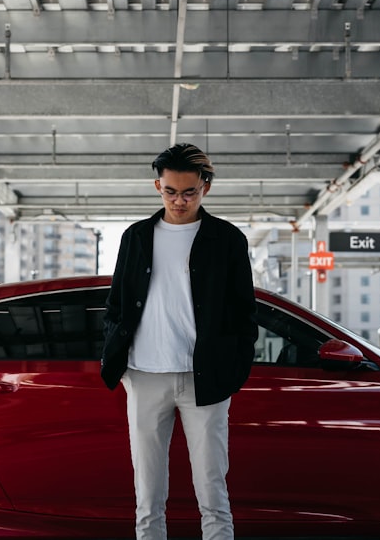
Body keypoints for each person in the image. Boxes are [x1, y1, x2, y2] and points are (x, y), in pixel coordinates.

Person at [100, 143, 258, 540]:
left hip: (205, 378)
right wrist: (121, 364)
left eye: (189, 192)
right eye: (171, 191)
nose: (179, 200)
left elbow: (244, 314)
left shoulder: (227, 239)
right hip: (144, 375)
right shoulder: (136, 237)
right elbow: (116, 305)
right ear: (157, 186)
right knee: (148, 494)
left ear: (206, 187)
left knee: (212, 488)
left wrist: (232, 371)